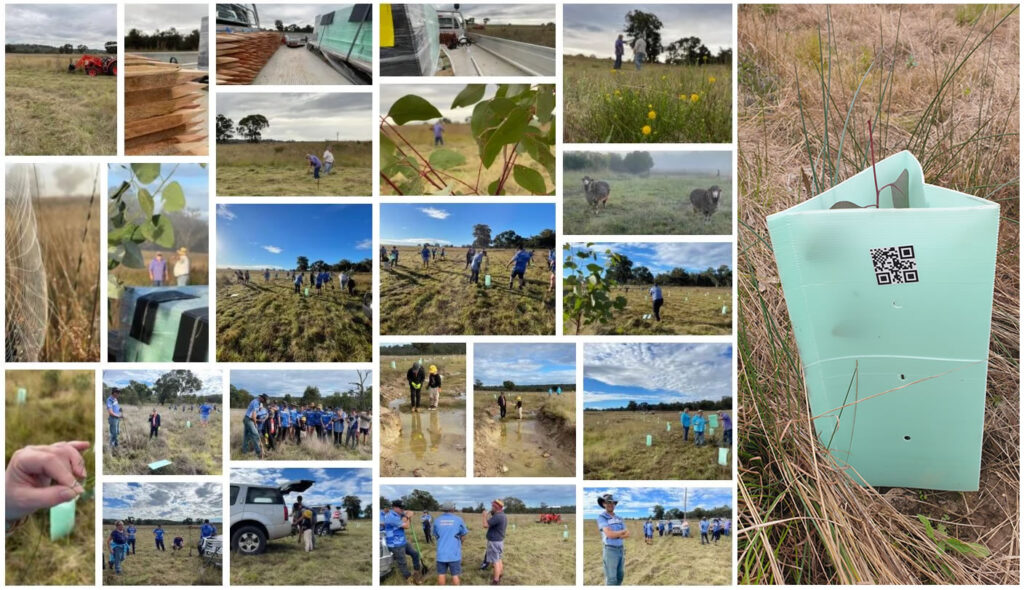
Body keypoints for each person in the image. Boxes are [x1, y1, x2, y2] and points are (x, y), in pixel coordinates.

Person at [383, 500, 423, 585]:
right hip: (395, 544)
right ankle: (409, 579)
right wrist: (408, 517)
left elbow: (407, 514)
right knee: (402, 562)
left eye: (403, 507)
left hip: (402, 542)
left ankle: (416, 573)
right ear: (394, 507)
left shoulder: (398, 514)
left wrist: (408, 514)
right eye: (400, 507)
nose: (402, 509)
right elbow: (407, 525)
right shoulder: (391, 517)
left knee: (415, 554)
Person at [433, 502, 468, 586]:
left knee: (441, 574)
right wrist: (460, 543)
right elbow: (463, 534)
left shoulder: (437, 520)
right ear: (452, 509)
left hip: (441, 553)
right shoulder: (459, 519)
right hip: (454, 553)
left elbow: (435, 535)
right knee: (455, 575)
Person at [597, 493, 628, 586]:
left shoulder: (619, 518)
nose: (610, 504)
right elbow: (609, 534)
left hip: (621, 550)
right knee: (611, 579)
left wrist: (616, 535)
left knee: (620, 576)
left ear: (614, 504)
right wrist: (620, 534)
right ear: (603, 504)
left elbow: (627, 533)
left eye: (612, 502)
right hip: (610, 550)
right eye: (608, 502)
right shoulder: (602, 517)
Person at [481, 499, 506, 585]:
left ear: (496, 507)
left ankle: (496, 581)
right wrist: (491, 513)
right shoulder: (502, 515)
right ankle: (500, 574)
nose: (491, 507)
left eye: (492, 506)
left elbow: (485, 525)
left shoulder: (498, 516)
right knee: (498, 559)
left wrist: (484, 516)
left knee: (495, 561)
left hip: (494, 542)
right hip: (499, 541)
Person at [242, 393, 267, 458]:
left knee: (246, 437)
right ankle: (258, 452)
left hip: (247, 419)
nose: (264, 401)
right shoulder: (256, 402)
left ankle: (244, 451)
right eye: (264, 400)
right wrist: (255, 423)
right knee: (255, 434)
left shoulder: (256, 402)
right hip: (249, 420)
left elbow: (255, 413)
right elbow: (253, 414)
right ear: (261, 398)